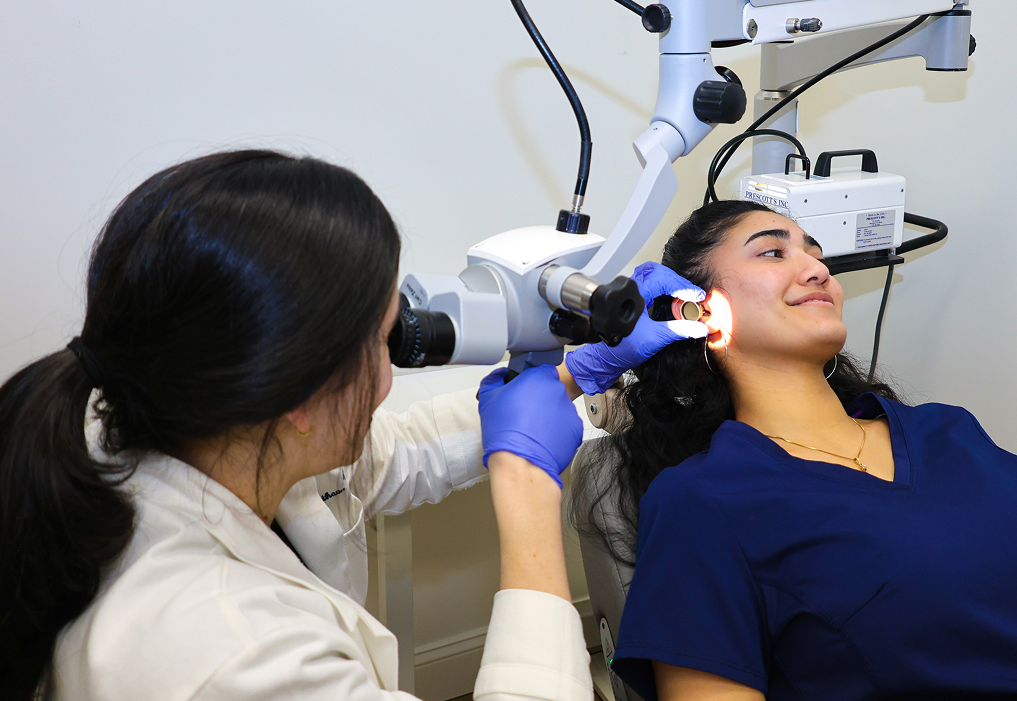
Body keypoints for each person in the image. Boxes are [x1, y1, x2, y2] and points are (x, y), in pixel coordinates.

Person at [0, 149, 707, 701]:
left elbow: (389, 459)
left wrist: (575, 374)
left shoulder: (158, 415)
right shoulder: (231, 656)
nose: (393, 370)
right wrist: (525, 493)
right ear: (297, 395)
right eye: (382, 340)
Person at [571, 200, 1017, 701]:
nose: (817, 269)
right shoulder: (705, 500)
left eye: (815, 252)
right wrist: (573, 373)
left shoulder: (946, 427)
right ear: (695, 310)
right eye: (772, 253)